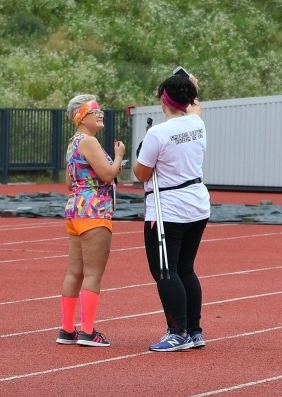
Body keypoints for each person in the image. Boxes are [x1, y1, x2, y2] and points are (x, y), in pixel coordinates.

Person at [134, 69, 211, 353]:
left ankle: (178, 332)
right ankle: (194, 330)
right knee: (186, 269)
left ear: (164, 100)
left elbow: (142, 173)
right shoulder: (197, 123)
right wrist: (194, 87)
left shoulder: (158, 133)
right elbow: (197, 106)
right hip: (197, 204)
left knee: (165, 271)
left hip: (168, 209)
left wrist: (142, 152)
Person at [57, 95, 125, 348]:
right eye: (95, 111)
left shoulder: (73, 142)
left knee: (74, 272)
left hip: (75, 209)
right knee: (93, 273)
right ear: (81, 116)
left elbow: (68, 182)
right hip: (95, 211)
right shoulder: (90, 141)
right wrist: (119, 156)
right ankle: (87, 331)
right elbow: (107, 175)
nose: (101, 114)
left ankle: (67, 329)